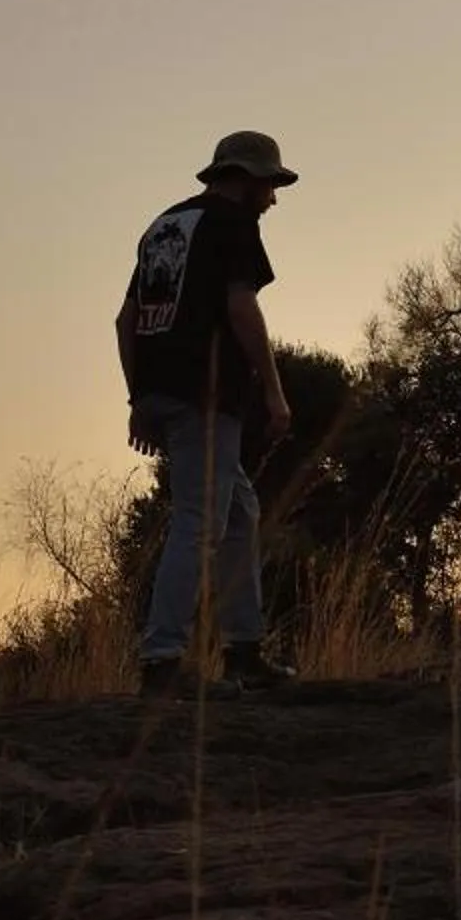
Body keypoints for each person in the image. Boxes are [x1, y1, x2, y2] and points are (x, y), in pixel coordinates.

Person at [117, 130, 300, 699]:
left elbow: (126, 320)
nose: (272, 199)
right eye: (269, 185)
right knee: (201, 522)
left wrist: (138, 400)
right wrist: (274, 392)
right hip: (207, 392)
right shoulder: (231, 224)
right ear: (244, 180)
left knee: (239, 512)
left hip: (161, 392)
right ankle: (163, 659)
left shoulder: (164, 226)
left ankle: (243, 649)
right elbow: (240, 307)